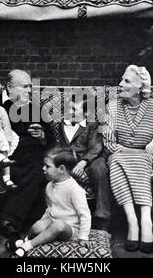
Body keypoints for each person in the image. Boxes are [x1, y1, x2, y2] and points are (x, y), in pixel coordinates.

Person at [0, 69, 55, 250]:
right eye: (25, 86)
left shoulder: (34, 109)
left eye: (30, 86)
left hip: (25, 158)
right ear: (9, 87)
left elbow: (51, 141)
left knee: (40, 164)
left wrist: (42, 135)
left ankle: (10, 220)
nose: (29, 90)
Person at [102, 65, 153, 253]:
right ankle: (133, 222)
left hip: (148, 157)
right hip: (119, 156)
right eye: (122, 80)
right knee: (115, 160)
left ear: (141, 87)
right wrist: (135, 153)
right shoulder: (112, 107)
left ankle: (145, 222)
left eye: (126, 81)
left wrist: (148, 153)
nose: (120, 84)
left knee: (130, 160)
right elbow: (108, 143)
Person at [9, 146, 92, 257]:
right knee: (37, 226)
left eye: (47, 166)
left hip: (70, 229)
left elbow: (85, 215)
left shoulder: (75, 190)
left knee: (58, 225)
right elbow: (50, 208)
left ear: (61, 169)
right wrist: (42, 224)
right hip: (54, 220)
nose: (43, 168)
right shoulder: (49, 185)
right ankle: (24, 240)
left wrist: (83, 237)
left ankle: (27, 246)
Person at [53, 96, 111, 231]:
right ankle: (60, 218)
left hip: (92, 158)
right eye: (67, 108)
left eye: (74, 109)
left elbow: (96, 147)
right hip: (72, 159)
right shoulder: (61, 124)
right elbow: (60, 145)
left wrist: (83, 163)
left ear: (86, 113)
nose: (69, 112)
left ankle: (102, 218)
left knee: (99, 170)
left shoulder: (94, 124)